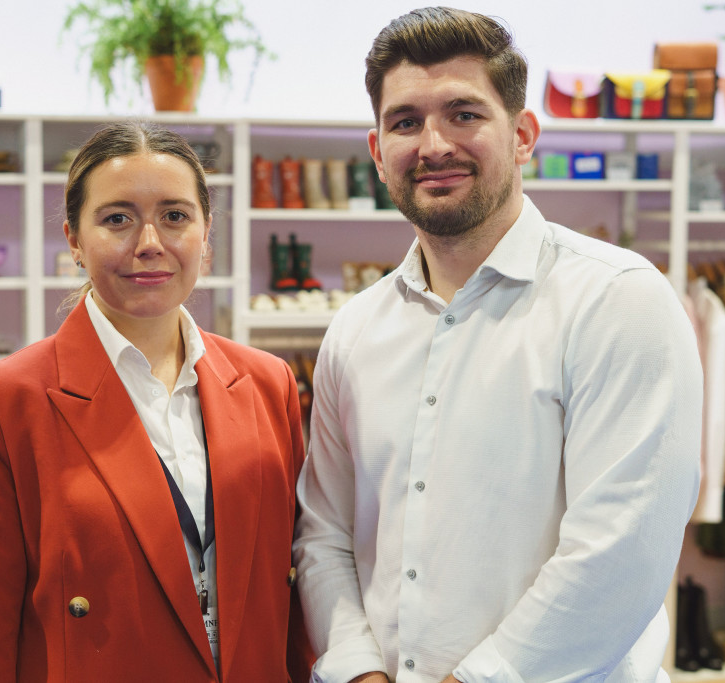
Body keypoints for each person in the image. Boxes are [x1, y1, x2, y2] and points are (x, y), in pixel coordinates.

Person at [293, 7, 703, 683]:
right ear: (376, 152)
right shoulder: (355, 330)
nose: (433, 144)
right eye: (405, 122)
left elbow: (621, 547)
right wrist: (359, 670)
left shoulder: (619, 300)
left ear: (522, 135)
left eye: (463, 113)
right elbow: (324, 533)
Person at [0, 122, 313, 682]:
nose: (150, 243)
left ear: (206, 236)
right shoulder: (0, 403)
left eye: (176, 216)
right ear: (74, 241)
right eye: (117, 219)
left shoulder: (267, 383)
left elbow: (295, 596)